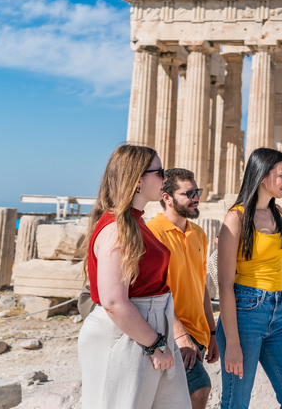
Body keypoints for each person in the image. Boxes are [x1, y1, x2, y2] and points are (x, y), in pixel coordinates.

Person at [78, 144, 190, 409]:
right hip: (129, 332)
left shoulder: (135, 222)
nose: (165, 179)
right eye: (159, 172)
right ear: (138, 180)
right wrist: (154, 344)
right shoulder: (117, 228)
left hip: (152, 327)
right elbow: (114, 302)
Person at [215, 148, 282, 409]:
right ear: (263, 176)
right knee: (237, 403)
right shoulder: (236, 218)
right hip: (245, 312)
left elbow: (280, 266)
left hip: (276, 315)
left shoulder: (278, 213)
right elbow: (224, 284)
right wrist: (232, 342)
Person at [147, 168, 218, 409]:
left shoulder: (198, 233)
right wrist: (180, 336)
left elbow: (202, 286)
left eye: (197, 191)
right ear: (167, 197)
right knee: (199, 389)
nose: (196, 197)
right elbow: (157, 291)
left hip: (196, 336)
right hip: (171, 335)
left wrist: (213, 333)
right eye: (189, 193)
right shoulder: (152, 233)